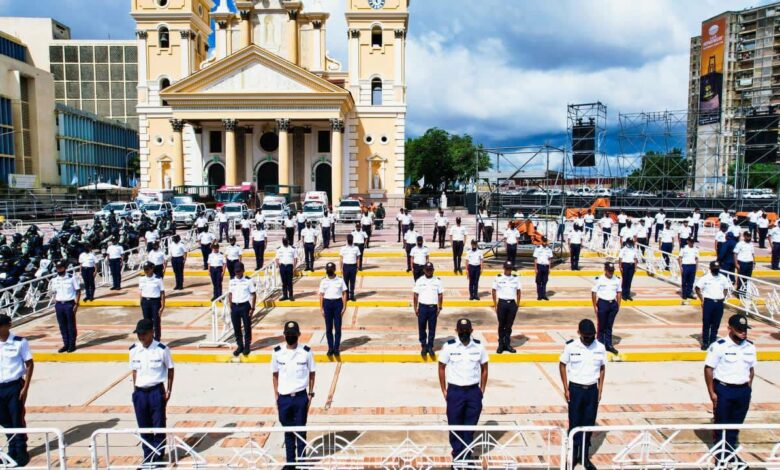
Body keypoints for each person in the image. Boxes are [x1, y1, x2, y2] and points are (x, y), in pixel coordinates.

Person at [704, 314, 756, 457]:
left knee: (735, 425)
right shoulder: (719, 346)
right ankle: (721, 457)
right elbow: (708, 368)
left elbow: (751, 369)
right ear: (730, 329)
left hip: (743, 391)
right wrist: (712, 393)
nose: (743, 332)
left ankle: (730, 453)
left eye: (745, 329)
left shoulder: (750, 347)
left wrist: (748, 387)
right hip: (724, 390)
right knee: (722, 424)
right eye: (739, 329)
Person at [438, 318, 488, 461]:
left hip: (473, 392)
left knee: (470, 425)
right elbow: (441, 367)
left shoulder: (478, 347)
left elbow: (485, 368)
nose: (464, 333)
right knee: (454, 425)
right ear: (456, 331)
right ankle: (457, 456)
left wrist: (481, 390)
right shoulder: (449, 347)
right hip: (455, 392)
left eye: (467, 331)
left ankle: (467, 455)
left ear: (471, 331)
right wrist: (444, 390)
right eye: (461, 331)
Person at [559, 318, 604, 470]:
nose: (589, 339)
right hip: (576, 390)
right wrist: (566, 388)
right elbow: (562, 365)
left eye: (591, 335)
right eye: (586, 336)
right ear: (579, 333)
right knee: (574, 424)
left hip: (592, 390)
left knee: (588, 424)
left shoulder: (600, 347)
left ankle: (584, 457)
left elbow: (603, 368)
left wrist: (600, 389)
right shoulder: (571, 347)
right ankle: (572, 456)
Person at [129, 319, 174, 465]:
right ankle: (148, 456)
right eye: (139, 334)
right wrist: (135, 390)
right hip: (140, 393)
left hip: (156, 391)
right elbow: (134, 371)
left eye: (144, 334)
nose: (141, 337)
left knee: (158, 426)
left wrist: (168, 391)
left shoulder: (162, 349)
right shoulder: (134, 349)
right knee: (143, 426)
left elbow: (170, 369)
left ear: (152, 333)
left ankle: (158, 456)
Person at [271, 321, 315, 466]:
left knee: (301, 432)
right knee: (288, 432)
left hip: (300, 397)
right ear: (284, 336)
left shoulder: (306, 352)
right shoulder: (277, 352)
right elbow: (275, 374)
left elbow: (312, 373)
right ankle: (291, 463)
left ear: (298, 335)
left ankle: (302, 463)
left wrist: (310, 394)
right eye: (288, 334)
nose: (291, 337)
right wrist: (276, 396)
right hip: (284, 398)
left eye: (293, 334)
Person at [0, 314, 33, 466]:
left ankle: (21, 450)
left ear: (8, 325)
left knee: (17, 419)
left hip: (14, 386)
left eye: (1, 326)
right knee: (4, 420)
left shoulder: (20, 342)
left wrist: (25, 388)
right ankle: (11, 448)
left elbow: (29, 364)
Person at [695, 261, 731, 350]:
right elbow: (697, 288)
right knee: (706, 323)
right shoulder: (706, 278)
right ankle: (705, 342)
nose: (716, 271)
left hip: (719, 303)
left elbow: (726, 288)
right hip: (708, 302)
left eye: (717, 269)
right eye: (714, 269)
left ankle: (712, 342)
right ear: (710, 268)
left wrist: (723, 298)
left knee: (716, 324)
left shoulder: (722, 278)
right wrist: (702, 300)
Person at [591, 262, 621, 355]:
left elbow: (619, 292)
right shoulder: (600, 279)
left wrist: (618, 305)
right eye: (609, 271)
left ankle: (609, 345)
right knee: (601, 326)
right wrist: (594, 306)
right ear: (605, 270)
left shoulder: (617, 279)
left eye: (612, 271)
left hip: (612, 304)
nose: (610, 273)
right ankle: (600, 345)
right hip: (603, 303)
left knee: (609, 326)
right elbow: (593, 292)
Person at [413, 262, 442, 357]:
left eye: (430, 270)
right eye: (427, 270)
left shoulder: (437, 281)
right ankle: (423, 345)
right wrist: (415, 307)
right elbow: (416, 295)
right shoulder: (419, 281)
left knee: (432, 328)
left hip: (433, 308)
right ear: (424, 270)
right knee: (422, 327)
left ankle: (430, 346)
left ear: (433, 270)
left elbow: (440, 294)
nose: (429, 271)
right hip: (422, 308)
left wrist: (439, 307)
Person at [491, 261, 521, 354]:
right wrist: (495, 304)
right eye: (507, 268)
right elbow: (493, 290)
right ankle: (500, 344)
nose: (508, 270)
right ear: (504, 268)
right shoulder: (498, 277)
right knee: (501, 325)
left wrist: (517, 305)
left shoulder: (516, 278)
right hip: (502, 303)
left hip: (512, 304)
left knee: (509, 326)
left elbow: (519, 291)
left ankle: (507, 344)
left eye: (510, 268)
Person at [319, 262, 348, 356]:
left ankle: (336, 348)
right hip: (327, 303)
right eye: (328, 270)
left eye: (331, 270)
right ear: (326, 270)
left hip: (337, 303)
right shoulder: (323, 281)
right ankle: (330, 348)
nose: (329, 271)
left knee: (338, 327)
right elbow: (321, 295)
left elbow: (344, 293)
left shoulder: (340, 280)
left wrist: (344, 306)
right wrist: (321, 308)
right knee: (328, 328)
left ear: (334, 270)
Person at [228, 262, 256, 357]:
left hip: (245, 306)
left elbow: (253, 294)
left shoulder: (248, 280)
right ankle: (240, 346)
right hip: (235, 307)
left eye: (239, 271)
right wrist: (231, 305)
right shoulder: (232, 280)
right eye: (236, 271)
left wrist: (252, 308)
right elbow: (230, 293)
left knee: (247, 327)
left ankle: (247, 346)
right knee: (237, 328)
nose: (237, 273)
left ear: (243, 270)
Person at [52, 261, 81, 353]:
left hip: (69, 304)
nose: (59, 269)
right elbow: (54, 292)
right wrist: (55, 302)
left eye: (60, 267)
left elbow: (78, 291)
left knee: (70, 325)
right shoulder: (54, 279)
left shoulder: (71, 278)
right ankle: (66, 344)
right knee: (62, 325)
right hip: (59, 304)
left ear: (64, 268)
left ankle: (72, 345)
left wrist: (76, 304)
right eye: (57, 268)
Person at [139, 262, 166, 341]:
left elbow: (162, 293)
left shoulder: (158, 279)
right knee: (147, 322)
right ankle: (149, 339)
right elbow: (141, 292)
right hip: (145, 301)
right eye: (145, 269)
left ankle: (157, 339)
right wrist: (141, 302)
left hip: (155, 302)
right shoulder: (142, 279)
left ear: (152, 269)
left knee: (156, 322)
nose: (146, 271)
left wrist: (163, 306)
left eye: (147, 269)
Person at [733, 231, 755, 295]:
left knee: (747, 279)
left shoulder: (751, 244)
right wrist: (736, 264)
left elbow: (753, 254)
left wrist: (754, 263)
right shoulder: (740, 244)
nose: (749, 237)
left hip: (749, 263)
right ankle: (740, 293)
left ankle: (744, 292)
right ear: (744, 236)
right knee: (741, 279)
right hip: (742, 263)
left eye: (750, 236)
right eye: (747, 236)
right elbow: (735, 254)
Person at [340, 235, 360, 302]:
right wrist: (341, 268)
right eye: (349, 240)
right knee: (345, 282)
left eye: (351, 240)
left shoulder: (356, 248)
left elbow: (358, 258)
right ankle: (347, 296)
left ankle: (352, 296)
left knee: (352, 282)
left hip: (353, 266)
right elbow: (341, 259)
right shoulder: (343, 248)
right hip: (346, 266)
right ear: (347, 240)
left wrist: (357, 266)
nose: (350, 241)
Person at [533, 237, 552, 301]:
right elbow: (535, 259)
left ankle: (544, 295)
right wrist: (535, 268)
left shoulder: (549, 249)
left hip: (546, 266)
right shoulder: (538, 248)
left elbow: (549, 259)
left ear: (546, 242)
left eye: (545, 242)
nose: (544, 243)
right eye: (543, 242)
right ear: (541, 242)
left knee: (544, 281)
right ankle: (539, 295)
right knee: (538, 281)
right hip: (539, 266)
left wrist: (549, 268)